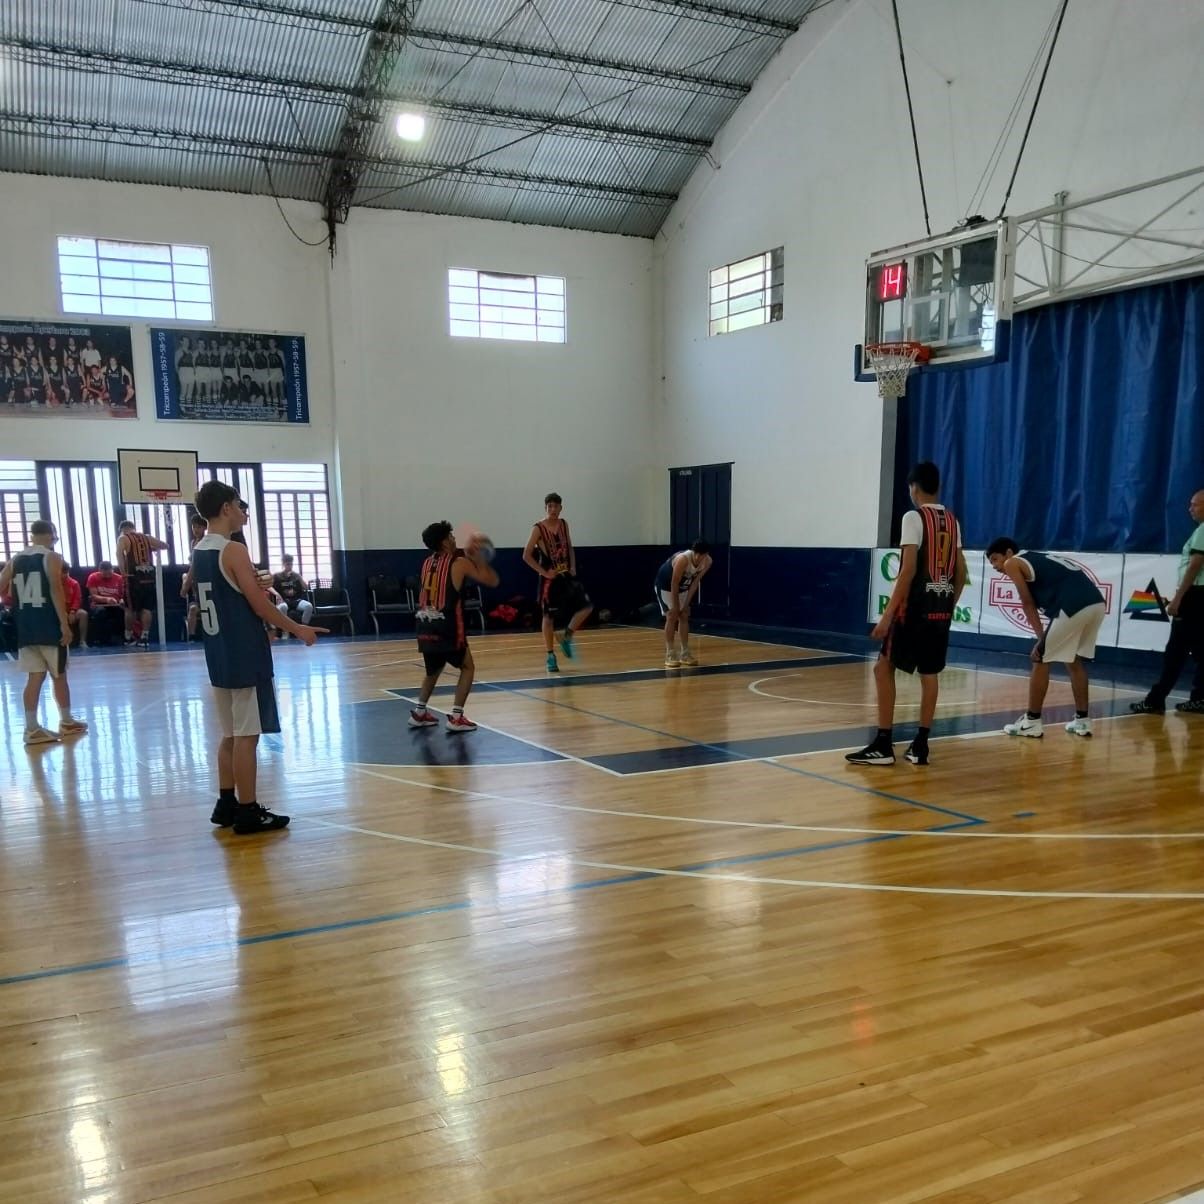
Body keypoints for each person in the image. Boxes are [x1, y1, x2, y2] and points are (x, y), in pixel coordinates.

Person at [191, 480, 326, 835]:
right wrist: (298, 629)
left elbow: (231, 589)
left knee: (230, 733)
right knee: (247, 736)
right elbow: (260, 605)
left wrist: (254, 582)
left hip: (218, 652)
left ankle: (226, 803)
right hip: (242, 650)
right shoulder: (233, 549)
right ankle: (248, 810)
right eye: (239, 505)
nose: (242, 511)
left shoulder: (200, 549)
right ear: (225, 508)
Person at [848, 462, 967, 767]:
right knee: (930, 674)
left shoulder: (913, 517)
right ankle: (921, 745)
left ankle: (883, 744)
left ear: (913, 488)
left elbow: (908, 570)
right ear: (938, 486)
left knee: (882, 668)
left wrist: (887, 615)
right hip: (940, 612)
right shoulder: (952, 521)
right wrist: (948, 605)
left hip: (913, 611)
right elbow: (961, 572)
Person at [986, 538, 1108, 739]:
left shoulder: (1012, 562)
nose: (995, 566)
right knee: (1072, 660)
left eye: (995, 559)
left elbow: (1027, 602)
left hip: (1073, 606)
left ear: (1008, 552)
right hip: (1096, 604)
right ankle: (1083, 720)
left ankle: (1032, 722)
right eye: (991, 563)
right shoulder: (1037, 557)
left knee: (1039, 658)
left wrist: (1041, 639)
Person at [0, 520, 88, 746]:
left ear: (32, 535)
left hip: (25, 626)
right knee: (59, 675)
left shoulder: (16, 559)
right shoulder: (51, 556)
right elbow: (55, 589)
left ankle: (31, 729)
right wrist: (64, 624)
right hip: (48, 625)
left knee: (35, 676)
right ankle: (66, 721)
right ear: (51, 535)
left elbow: (1, 586)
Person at [408, 520, 500, 732]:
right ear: (444, 542)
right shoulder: (458, 563)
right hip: (446, 624)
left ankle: (420, 712)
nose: (454, 538)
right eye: (450, 536)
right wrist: (480, 559)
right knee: (468, 667)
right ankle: (457, 717)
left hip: (424, 623)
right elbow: (492, 580)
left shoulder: (427, 563)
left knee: (433, 669)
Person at [1131, 489, 1204, 715]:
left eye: (1195, 504)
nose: (1190, 509)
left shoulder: (1203, 530)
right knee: (1200, 649)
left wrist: (1179, 599)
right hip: (1199, 596)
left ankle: (1156, 699)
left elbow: (1196, 564)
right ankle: (1200, 698)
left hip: (1195, 595)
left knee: (1175, 651)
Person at [521, 492, 593, 673]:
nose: (553, 509)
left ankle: (567, 636)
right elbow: (526, 555)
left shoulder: (563, 524)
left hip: (565, 574)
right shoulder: (538, 528)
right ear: (545, 508)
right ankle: (550, 655)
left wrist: (573, 566)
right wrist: (544, 571)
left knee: (586, 607)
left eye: (556, 506)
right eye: (550, 506)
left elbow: (569, 546)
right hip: (549, 580)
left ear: (561, 508)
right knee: (548, 617)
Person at [656, 540, 713, 667]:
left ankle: (685, 653)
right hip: (665, 586)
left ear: (706, 554)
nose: (698, 557)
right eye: (696, 554)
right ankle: (670, 653)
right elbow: (674, 583)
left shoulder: (708, 561)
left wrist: (686, 603)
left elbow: (695, 582)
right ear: (693, 551)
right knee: (672, 615)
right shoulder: (682, 559)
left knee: (684, 615)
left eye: (701, 555)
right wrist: (676, 605)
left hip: (683, 587)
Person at [116, 519, 168, 645]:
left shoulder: (123, 538)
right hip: (149, 577)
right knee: (146, 608)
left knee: (130, 609)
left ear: (122, 530)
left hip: (133, 577)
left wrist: (123, 573)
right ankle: (145, 636)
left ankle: (128, 637)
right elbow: (165, 545)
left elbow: (119, 555)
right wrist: (152, 548)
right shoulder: (147, 537)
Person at [180, 514, 208, 639]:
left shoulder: (206, 542)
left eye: (199, 527)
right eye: (194, 527)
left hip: (205, 581)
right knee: (192, 609)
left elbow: (196, 564)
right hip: (195, 584)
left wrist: (185, 585)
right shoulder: (193, 542)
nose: (196, 530)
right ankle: (191, 637)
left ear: (204, 528)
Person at [85, 560, 126, 646]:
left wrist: (122, 600)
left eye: (109, 573)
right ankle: (100, 640)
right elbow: (93, 596)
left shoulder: (119, 578)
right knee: (100, 612)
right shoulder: (93, 577)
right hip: (99, 605)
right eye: (105, 574)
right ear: (100, 571)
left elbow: (123, 595)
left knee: (122, 612)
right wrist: (107, 599)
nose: (107, 576)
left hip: (115, 605)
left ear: (112, 570)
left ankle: (121, 637)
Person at [272, 554, 314, 635]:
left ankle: (303, 629)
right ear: (283, 564)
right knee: (283, 607)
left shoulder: (296, 576)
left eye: (291, 564)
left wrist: (300, 577)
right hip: (283, 600)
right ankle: (285, 631)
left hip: (295, 600)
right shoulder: (277, 576)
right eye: (287, 564)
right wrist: (276, 594)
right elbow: (269, 586)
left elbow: (306, 588)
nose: (290, 566)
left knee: (309, 606)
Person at [61, 563, 89, 649]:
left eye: (65, 572)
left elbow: (77, 599)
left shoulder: (74, 583)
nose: (64, 575)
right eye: (62, 573)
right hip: (59, 610)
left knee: (83, 614)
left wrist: (72, 611)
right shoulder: (54, 583)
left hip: (71, 610)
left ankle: (82, 641)